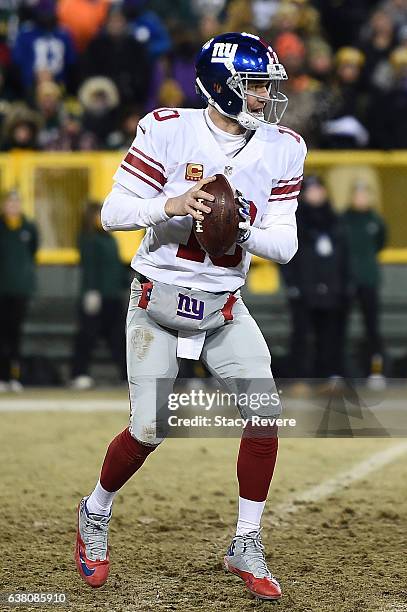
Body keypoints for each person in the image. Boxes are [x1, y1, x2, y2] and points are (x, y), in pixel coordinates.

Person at [74, 32, 307, 601]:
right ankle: (94, 512)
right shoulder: (168, 127)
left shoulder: (283, 146)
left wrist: (242, 228)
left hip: (224, 306)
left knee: (264, 416)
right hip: (156, 300)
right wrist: (171, 204)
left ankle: (245, 542)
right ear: (224, 86)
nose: (264, 97)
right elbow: (112, 213)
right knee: (149, 429)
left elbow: (286, 244)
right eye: (255, 86)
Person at [280, 175, 349, 381]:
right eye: (311, 190)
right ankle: (300, 375)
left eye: (318, 189)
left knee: (330, 333)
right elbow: (286, 255)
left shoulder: (335, 220)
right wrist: (291, 283)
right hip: (304, 286)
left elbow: (345, 255)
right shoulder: (294, 220)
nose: (315, 194)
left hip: (331, 286)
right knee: (302, 334)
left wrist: (345, 283)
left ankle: (328, 373)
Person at [70, 202, 128, 390]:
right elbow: (90, 267)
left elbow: (116, 266)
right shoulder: (87, 238)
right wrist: (91, 291)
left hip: (112, 296)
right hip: (96, 295)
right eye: (98, 214)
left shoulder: (110, 238)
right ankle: (79, 373)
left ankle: (126, 376)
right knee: (87, 336)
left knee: (118, 337)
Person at [341, 181, 387, 388]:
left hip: (369, 280)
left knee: (373, 328)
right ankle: (340, 371)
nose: (361, 199)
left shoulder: (376, 220)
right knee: (340, 327)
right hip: (347, 280)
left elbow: (381, 243)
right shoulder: (343, 221)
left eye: (364, 195)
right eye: (357, 194)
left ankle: (375, 371)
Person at [0, 190, 39, 391]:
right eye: (10, 202)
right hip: (3, 289)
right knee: (2, 334)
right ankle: (2, 376)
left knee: (15, 334)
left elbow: (33, 250)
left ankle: (14, 377)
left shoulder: (29, 227)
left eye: (16, 202)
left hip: (20, 290)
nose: (13, 206)